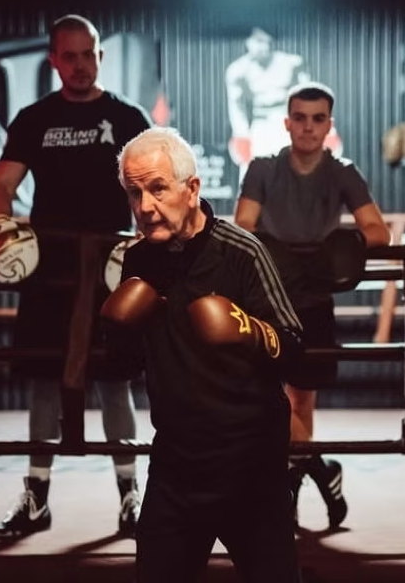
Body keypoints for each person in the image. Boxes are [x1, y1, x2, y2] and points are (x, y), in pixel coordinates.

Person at [104, 126, 304, 582]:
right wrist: (117, 330)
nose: (145, 207)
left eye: (157, 188)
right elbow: (124, 367)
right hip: (176, 465)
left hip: (250, 466)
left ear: (191, 189)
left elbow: (295, 349)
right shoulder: (138, 261)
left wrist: (248, 330)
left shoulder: (242, 252)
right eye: (134, 193)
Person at [0, 14, 153, 540]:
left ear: (101, 56)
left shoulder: (127, 118)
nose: (80, 65)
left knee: (115, 383)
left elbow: (155, 187)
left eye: (88, 55)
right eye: (69, 56)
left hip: (110, 268)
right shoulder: (35, 119)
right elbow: (1, 186)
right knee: (43, 383)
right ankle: (36, 498)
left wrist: (152, 243)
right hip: (50, 269)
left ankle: (131, 497)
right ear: (53, 59)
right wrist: (0, 231)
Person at [234, 82, 391, 530]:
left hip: (314, 301)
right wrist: (280, 254)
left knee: (301, 402)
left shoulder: (342, 173)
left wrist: (334, 251)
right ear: (287, 123)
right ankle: (321, 468)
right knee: (265, 397)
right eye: (300, 118)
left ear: (328, 125)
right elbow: (244, 225)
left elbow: (378, 232)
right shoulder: (263, 168)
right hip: (268, 298)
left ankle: (289, 493)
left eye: (317, 119)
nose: (308, 127)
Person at [225, 28, 341, 183]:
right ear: (247, 42)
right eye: (257, 41)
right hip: (261, 125)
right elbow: (236, 106)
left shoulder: (292, 63)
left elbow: (310, 96)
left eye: (266, 41)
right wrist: (241, 135)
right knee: (253, 175)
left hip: (289, 124)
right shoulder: (237, 71)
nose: (262, 46)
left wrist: (328, 131)